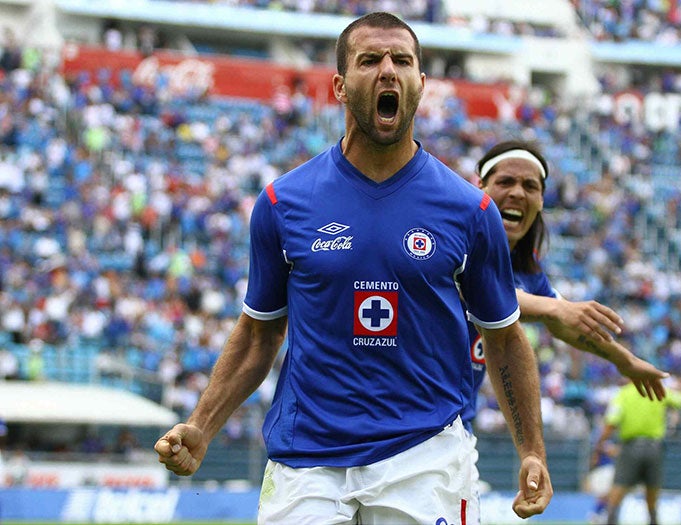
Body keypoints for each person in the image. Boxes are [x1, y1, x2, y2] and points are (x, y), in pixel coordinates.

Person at [154, 12, 551, 523]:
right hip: (307, 461)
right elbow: (258, 335)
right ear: (340, 86)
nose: (388, 70)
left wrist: (532, 450)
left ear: (421, 84)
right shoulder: (283, 202)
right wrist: (201, 426)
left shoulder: (470, 211)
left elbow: (504, 337)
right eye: (370, 60)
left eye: (402, 61)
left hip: (424, 457)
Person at [463, 140, 669, 520]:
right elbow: (487, 292)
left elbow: (566, 326)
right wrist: (556, 306)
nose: (517, 193)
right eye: (505, 181)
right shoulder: (454, 240)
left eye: (530, 187)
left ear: (542, 201)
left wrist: (625, 361)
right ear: (480, 188)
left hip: (454, 430)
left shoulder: (528, 272)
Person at [593, 379, 681, 525]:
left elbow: (611, 422)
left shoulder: (623, 395)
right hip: (654, 448)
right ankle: (653, 520)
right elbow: (680, 401)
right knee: (652, 494)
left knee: (618, 489)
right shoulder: (656, 390)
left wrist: (599, 446)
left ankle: (610, 520)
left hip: (630, 447)